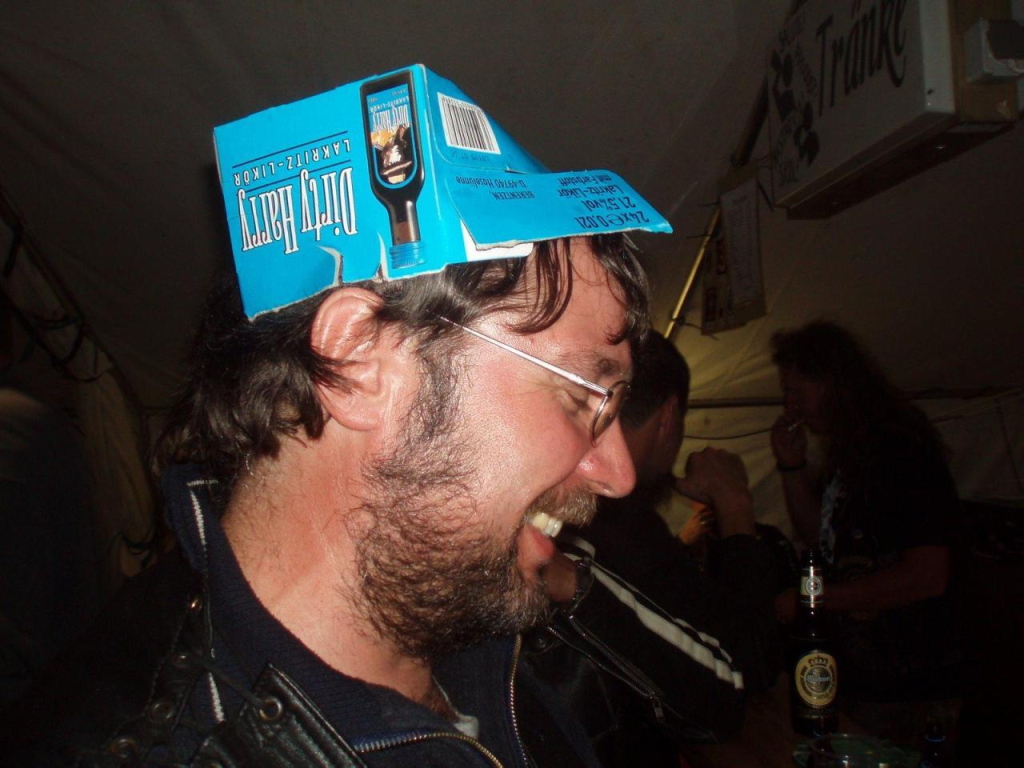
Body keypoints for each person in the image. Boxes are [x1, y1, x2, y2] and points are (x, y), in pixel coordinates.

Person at [4, 226, 757, 766]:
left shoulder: (459, 595)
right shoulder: (145, 741)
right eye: (581, 395)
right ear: (360, 360)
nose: (618, 473)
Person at [534, 331, 786, 765]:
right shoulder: (620, 520)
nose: (617, 477)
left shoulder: (584, 516)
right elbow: (748, 667)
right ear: (669, 414)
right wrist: (735, 506)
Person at [768, 320, 965, 744]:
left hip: (910, 686)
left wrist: (812, 601)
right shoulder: (848, 453)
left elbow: (928, 576)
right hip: (865, 679)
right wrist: (791, 466)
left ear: (831, 383)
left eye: (795, 390)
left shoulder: (900, 451)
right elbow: (822, 539)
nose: (789, 403)